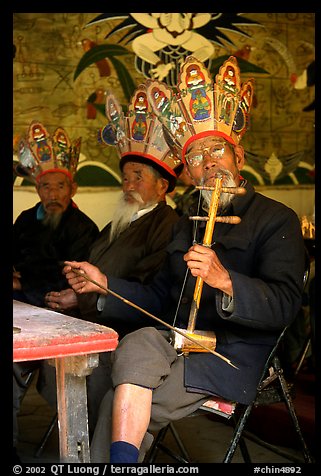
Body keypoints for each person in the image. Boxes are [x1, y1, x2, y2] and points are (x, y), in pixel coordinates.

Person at [63, 56, 306, 463]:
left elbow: (285, 305)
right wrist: (104, 283)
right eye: (196, 157)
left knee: (117, 402)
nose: (209, 163)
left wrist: (225, 281)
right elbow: (160, 298)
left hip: (231, 354)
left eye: (218, 152)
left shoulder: (275, 219)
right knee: (135, 346)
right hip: (176, 341)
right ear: (189, 173)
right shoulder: (187, 221)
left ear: (238, 158)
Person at [38, 86, 183, 434]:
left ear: (162, 187)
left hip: (131, 329)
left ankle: (87, 443)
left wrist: (90, 295)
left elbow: (150, 292)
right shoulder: (117, 223)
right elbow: (93, 271)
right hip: (92, 317)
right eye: (126, 177)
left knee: (87, 367)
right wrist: (74, 292)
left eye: (138, 177)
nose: (128, 184)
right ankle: (76, 435)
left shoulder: (167, 225)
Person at [13, 122, 99, 461]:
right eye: (45, 186)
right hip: (23, 308)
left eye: (59, 186)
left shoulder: (83, 228)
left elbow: (70, 283)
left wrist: (24, 283)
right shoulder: (23, 220)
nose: (52, 194)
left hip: (61, 316)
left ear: (73, 188)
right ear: (37, 189)